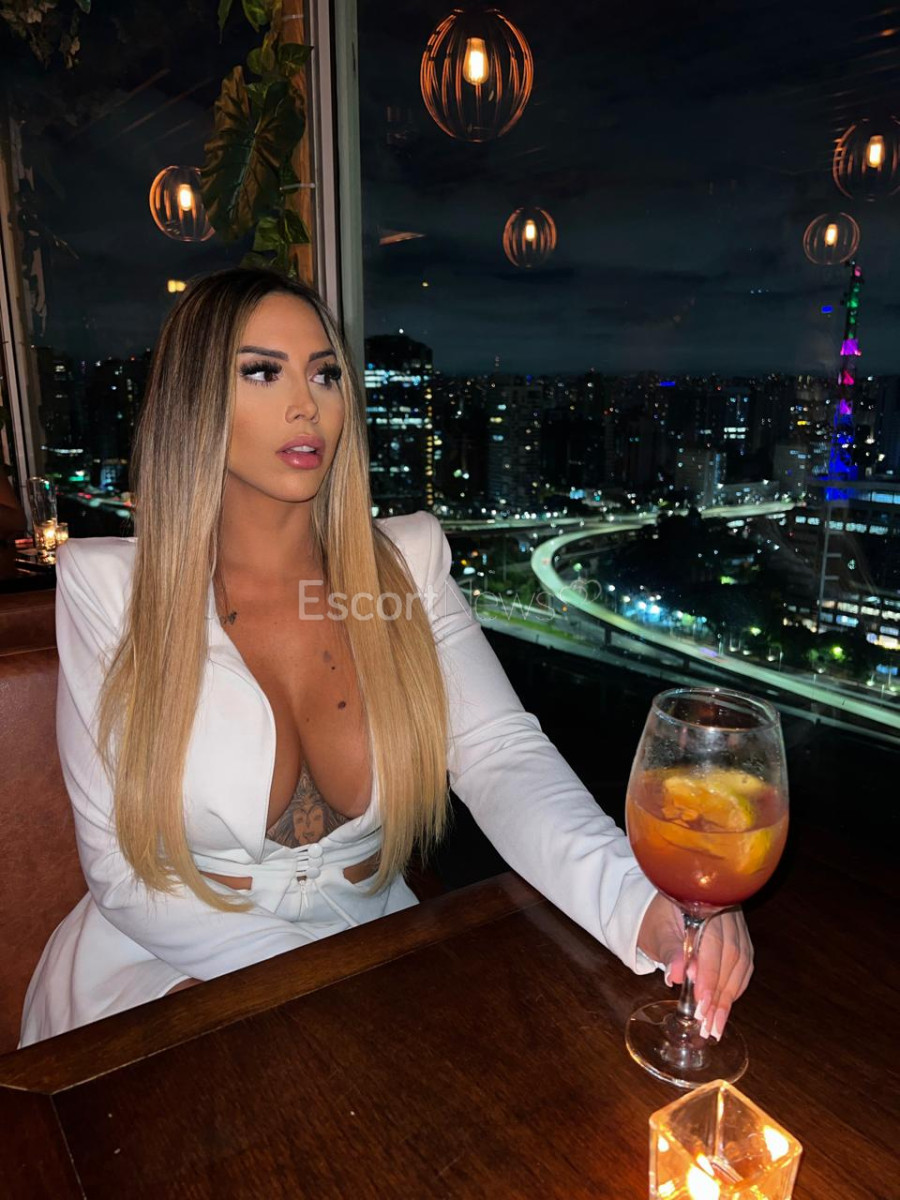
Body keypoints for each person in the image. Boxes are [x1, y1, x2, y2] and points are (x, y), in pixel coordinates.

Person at [19, 268, 752, 1047]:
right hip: (164, 961)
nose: (307, 404)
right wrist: (307, 984)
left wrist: (643, 902)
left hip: (365, 950)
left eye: (325, 374)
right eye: (262, 372)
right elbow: (121, 871)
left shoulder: (405, 570)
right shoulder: (112, 592)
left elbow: (500, 756)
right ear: (194, 403)